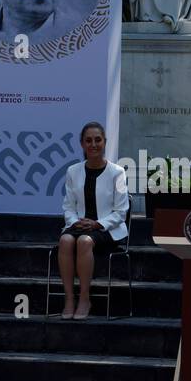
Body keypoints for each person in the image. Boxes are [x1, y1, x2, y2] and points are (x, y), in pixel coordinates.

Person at [57, 121, 129, 320]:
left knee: (84, 241)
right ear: (82, 144)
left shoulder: (118, 173)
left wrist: (97, 224)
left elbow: (121, 211)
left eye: (98, 140)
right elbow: (68, 206)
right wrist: (75, 222)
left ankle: (85, 299)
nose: (93, 144)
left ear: (105, 142)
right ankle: (69, 299)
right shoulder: (73, 171)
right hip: (79, 225)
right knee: (65, 240)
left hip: (107, 229)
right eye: (88, 140)